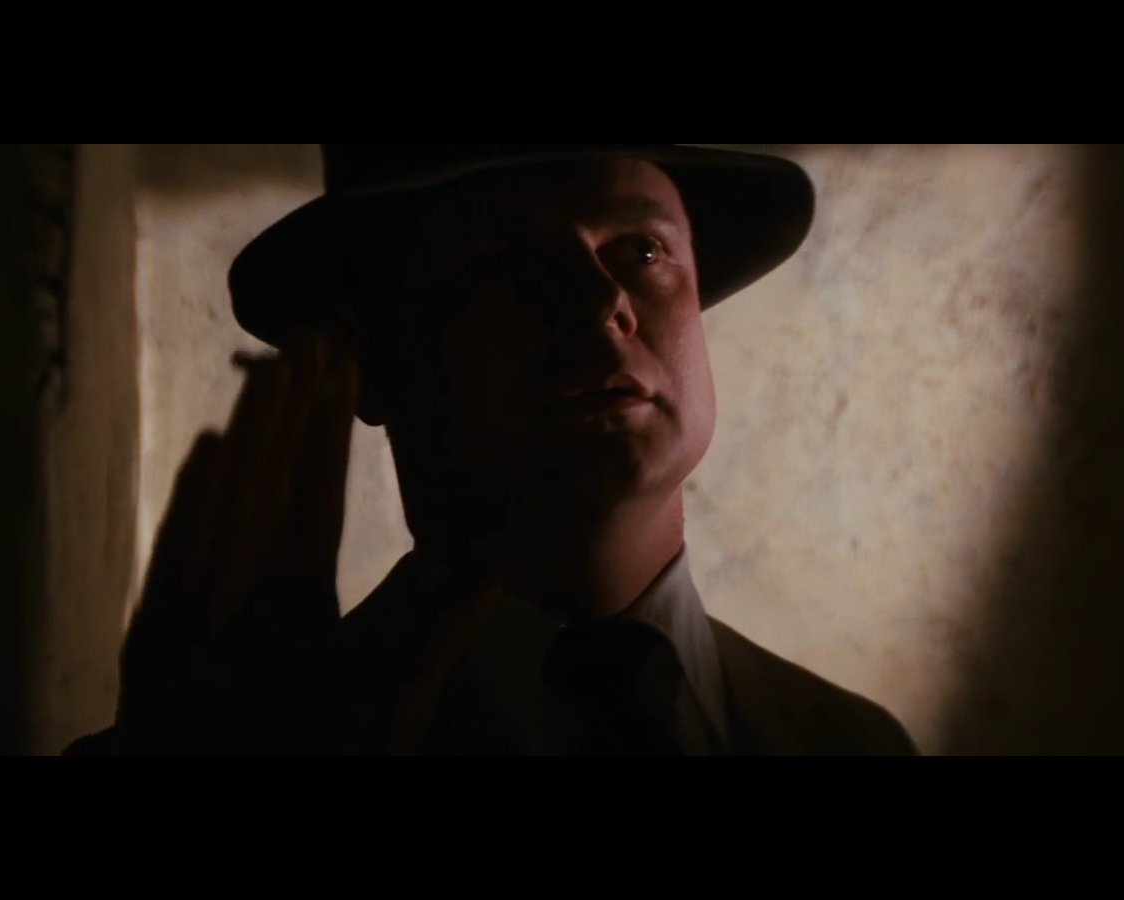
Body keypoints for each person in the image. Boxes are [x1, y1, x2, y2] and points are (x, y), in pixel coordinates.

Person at [69, 144, 918, 756]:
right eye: (502, 264)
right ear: (367, 362)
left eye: (641, 249)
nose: (599, 302)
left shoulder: (855, 742)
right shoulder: (227, 737)